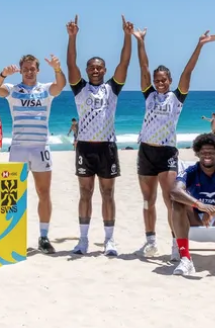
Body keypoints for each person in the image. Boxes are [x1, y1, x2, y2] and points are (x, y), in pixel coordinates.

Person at [132, 28, 215, 261]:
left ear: (170, 81)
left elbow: (188, 71)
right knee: (148, 200)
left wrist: (200, 45)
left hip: (167, 152)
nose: (160, 83)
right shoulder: (149, 95)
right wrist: (141, 42)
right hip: (146, 151)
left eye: (163, 80)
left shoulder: (177, 97)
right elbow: (143, 67)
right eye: (157, 80)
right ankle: (151, 242)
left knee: (171, 199)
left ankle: (175, 244)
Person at [65, 14, 133, 256]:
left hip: (107, 147)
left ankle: (109, 240)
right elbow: (70, 64)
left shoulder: (111, 88)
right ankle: (83, 240)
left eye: (99, 67)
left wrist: (127, 36)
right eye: (91, 67)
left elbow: (124, 63)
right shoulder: (80, 88)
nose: (95, 70)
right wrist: (72, 37)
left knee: (107, 194)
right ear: (87, 70)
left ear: (104, 70)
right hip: (85, 147)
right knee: (85, 193)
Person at [0, 53, 66, 254]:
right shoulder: (13, 90)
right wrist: (3, 74)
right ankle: (11, 234)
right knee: (12, 193)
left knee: (43, 193)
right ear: (21, 71)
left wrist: (57, 68)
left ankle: (43, 237)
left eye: (32, 69)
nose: (29, 72)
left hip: (41, 148)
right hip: (18, 149)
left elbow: (60, 86)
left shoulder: (46, 89)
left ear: (38, 70)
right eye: (25, 69)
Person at [169, 133, 215, 278]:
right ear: (197, 153)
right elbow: (174, 191)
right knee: (177, 202)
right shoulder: (190, 172)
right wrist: (200, 205)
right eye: (203, 152)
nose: (207, 155)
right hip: (195, 218)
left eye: (211, 152)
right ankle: (185, 259)